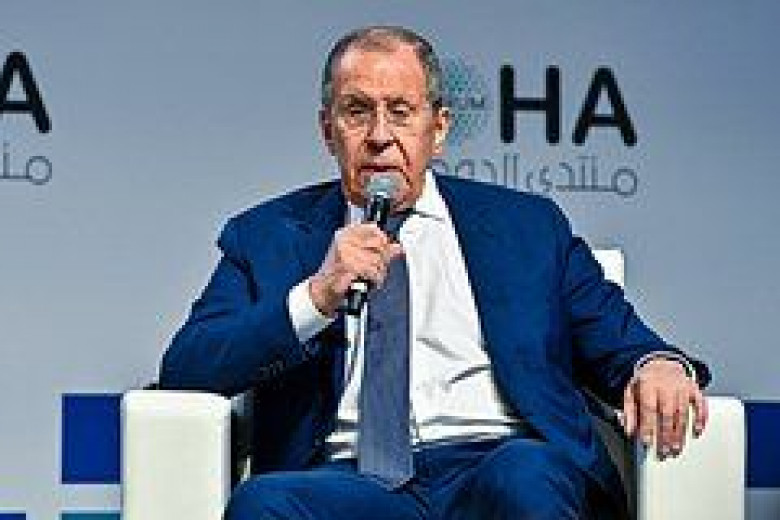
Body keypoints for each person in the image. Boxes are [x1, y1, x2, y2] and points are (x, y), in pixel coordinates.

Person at [159, 25, 710, 520]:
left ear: (438, 128)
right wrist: (315, 299)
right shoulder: (267, 236)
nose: (379, 135)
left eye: (400, 111)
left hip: (492, 463)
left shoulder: (527, 227)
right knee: (263, 503)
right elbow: (188, 366)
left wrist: (656, 364)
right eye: (357, 112)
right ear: (328, 130)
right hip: (349, 482)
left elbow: (619, 338)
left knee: (528, 472)